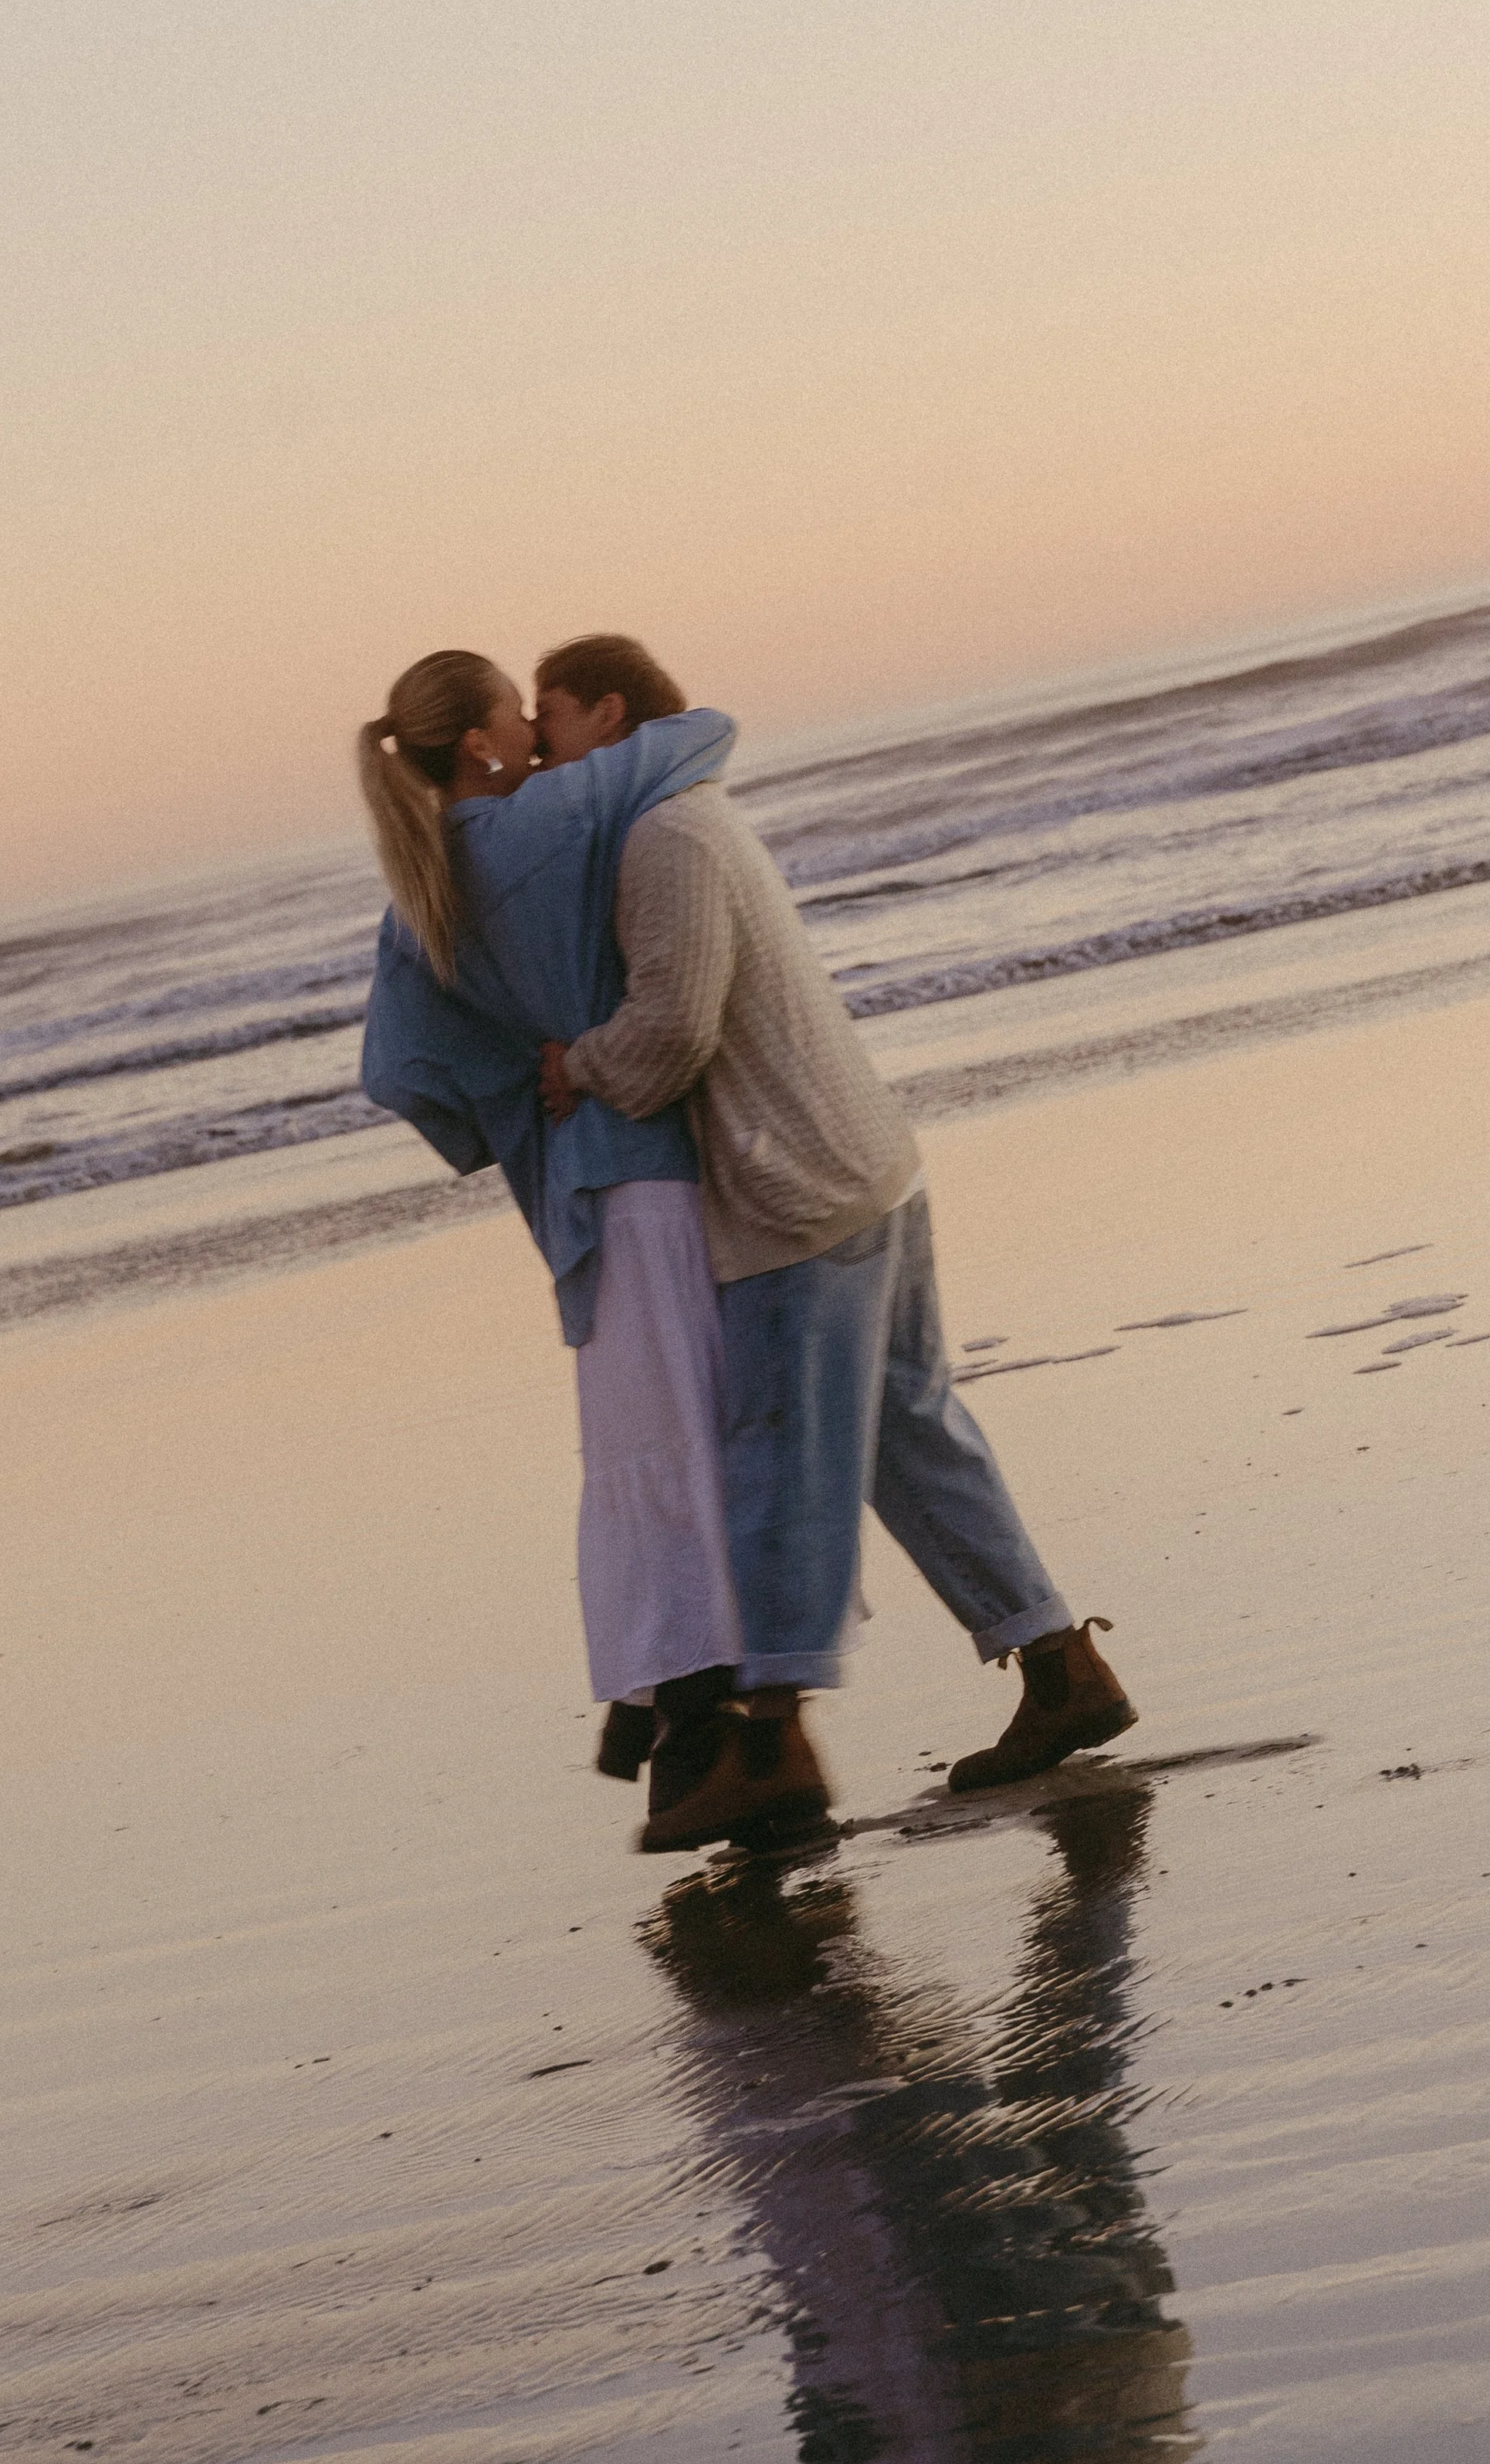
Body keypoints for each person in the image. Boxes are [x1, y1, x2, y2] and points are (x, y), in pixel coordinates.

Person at [533, 636, 1138, 1852]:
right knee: (911, 1432)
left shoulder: (666, 836)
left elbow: (672, 1033)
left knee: (785, 1462)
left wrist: (573, 1066)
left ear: (608, 710)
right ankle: (1060, 1662)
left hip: (796, 1189)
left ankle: (771, 1740)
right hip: (866, 1163)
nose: (546, 757)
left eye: (551, 728)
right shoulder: (694, 816)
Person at [356, 649, 761, 1809]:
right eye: (513, 713)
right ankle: (688, 1712)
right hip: (646, 1154)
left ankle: (651, 1701)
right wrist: (581, 1054)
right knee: (688, 1429)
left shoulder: (422, 885)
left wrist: (516, 1102)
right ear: (477, 743)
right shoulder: (550, 819)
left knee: (635, 1434)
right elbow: (700, 734)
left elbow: (402, 1072)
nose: (536, 726)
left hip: (570, 1183)